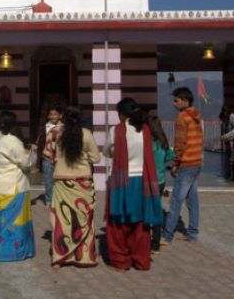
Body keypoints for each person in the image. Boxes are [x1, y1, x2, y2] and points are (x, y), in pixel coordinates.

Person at [103, 97, 162, 271]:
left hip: (122, 180)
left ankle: (121, 261)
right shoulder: (145, 130)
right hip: (143, 179)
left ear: (121, 114)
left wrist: (117, 151)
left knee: (118, 222)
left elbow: (107, 151)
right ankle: (141, 260)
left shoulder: (117, 130)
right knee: (141, 223)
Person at [47, 105, 100, 268]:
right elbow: (96, 158)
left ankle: (60, 257)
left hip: (62, 182)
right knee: (84, 219)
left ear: (63, 118)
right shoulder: (87, 134)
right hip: (82, 183)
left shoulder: (55, 133)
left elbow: (48, 154)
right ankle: (84, 257)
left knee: (62, 220)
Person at [0, 110, 35, 262]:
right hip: (12, 187)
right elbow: (26, 164)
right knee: (15, 222)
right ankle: (14, 252)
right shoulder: (13, 141)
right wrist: (32, 153)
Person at [161, 87, 204, 245]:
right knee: (193, 201)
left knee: (176, 201)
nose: (174, 103)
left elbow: (179, 144)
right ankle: (192, 233)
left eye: (176, 100)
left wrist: (175, 164)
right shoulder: (197, 116)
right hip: (196, 162)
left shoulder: (182, 117)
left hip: (186, 164)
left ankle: (167, 236)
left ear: (185, 101)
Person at [147, 115, 175, 253]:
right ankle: (156, 244)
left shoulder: (147, 143)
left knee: (146, 211)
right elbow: (171, 156)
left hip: (148, 181)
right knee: (157, 211)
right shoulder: (163, 142)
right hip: (161, 181)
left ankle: (146, 240)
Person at [38, 103, 62, 206]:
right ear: (48, 116)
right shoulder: (45, 127)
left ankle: (59, 199)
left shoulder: (63, 128)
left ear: (61, 116)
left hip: (59, 158)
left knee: (59, 180)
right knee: (48, 179)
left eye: (55, 114)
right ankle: (49, 200)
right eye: (51, 114)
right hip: (47, 157)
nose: (53, 116)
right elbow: (40, 139)